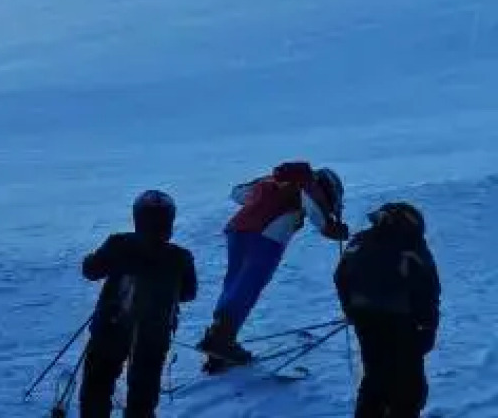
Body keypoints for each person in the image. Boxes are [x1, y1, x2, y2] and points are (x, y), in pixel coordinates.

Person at [199, 161, 349, 367]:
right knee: (249, 286)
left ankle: (218, 335)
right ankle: (222, 340)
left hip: (237, 230)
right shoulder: (307, 182)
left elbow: (238, 194)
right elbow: (313, 207)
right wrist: (331, 228)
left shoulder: (271, 180)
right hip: (267, 235)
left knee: (235, 283)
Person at [76, 191, 198, 418]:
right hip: (155, 332)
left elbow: (91, 271)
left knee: (97, 385)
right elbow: (189, 293)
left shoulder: (118, 244)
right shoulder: (180, 257)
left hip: (111, 326)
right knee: (144, 390)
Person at [336, 202, 440, 418]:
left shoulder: (360, 240)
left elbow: (340, 276)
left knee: (374, 375)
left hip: (365, 318)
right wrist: (428, 328)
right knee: (408, 384)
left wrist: (350, 309)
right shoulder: (412, 245)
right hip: (403, 322)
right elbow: (428, 288)